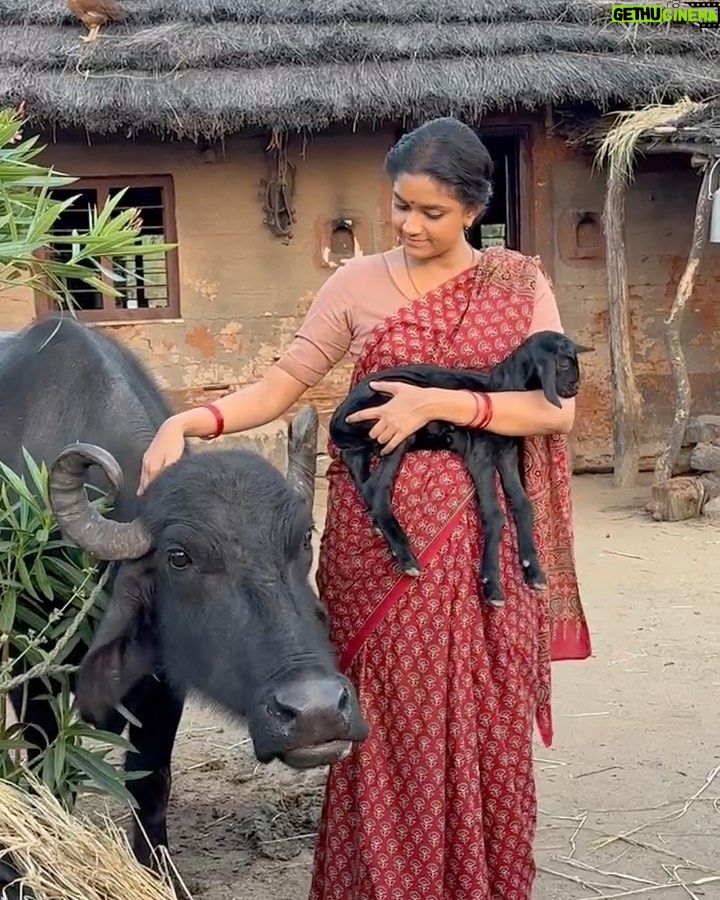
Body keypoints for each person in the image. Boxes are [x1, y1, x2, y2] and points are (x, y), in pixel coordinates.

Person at [138, 117, 591, 900]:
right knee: (389, 731)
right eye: (401, 207)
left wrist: (434, 403)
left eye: (431, 212)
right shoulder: (353, 285)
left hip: (484, 548)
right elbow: (282, 385)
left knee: (485, 729)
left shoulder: (519, 285)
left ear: (473, 210)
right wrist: (191, 419)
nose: (410, 226)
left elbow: (554, 413)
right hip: (379, 551)